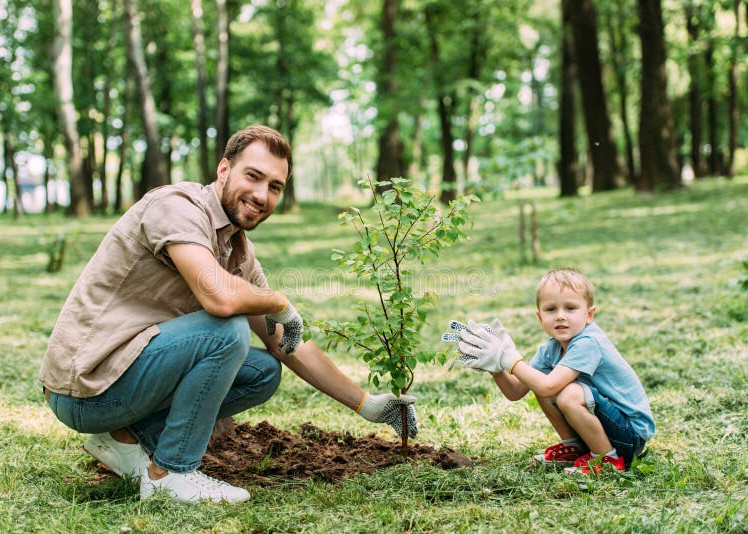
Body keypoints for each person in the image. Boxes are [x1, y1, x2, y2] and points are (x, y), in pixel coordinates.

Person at [40, 125, 417, 504]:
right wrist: (279, 303)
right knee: (227, 330)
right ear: (224, 170)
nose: (261, 195)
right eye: (253, 176)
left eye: (274, 186)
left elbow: (288, 345)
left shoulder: (236, 249)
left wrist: (367, 404)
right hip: (86, 389)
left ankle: (123, 439)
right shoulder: (176, 207)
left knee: (263, 373)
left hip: (124, 378)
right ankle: (169, 474)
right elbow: (219, 298)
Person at [443, 268, 654, 474]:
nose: (560, 316)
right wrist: (496, 367)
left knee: (566, 392)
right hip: (605, 429)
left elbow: (548, 387)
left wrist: (510, 358)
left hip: (629, 434)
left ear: (589, 315)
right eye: (551, 309)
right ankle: (575, 448)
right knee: (541, 379)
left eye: (570, 308)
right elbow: (516, 392)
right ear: (540, 316)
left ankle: (606, 459)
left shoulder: (589, 342)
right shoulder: (550, 349)